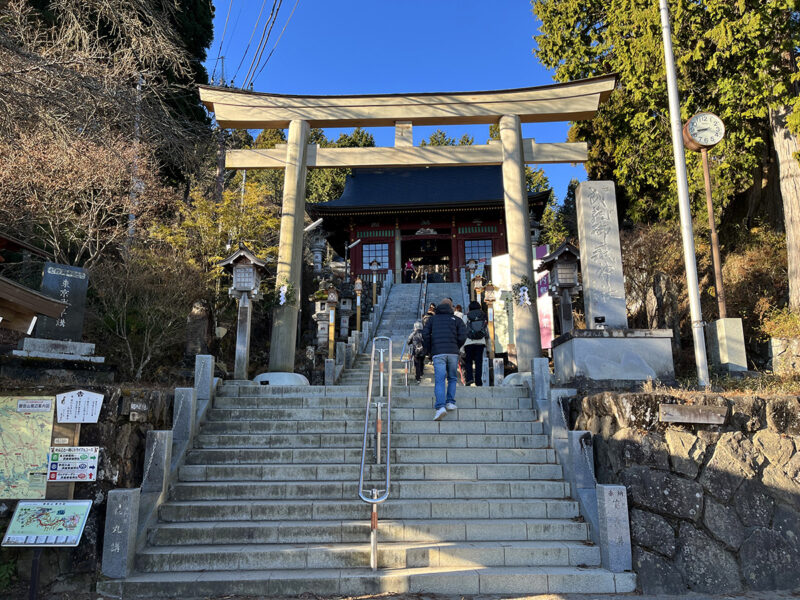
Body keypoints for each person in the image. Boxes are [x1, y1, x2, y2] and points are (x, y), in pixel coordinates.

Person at [423, 299, 467, 421]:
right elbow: (463, 335)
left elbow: (425, 334)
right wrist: (456, 345)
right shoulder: (456, 320)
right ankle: (450, 402)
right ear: (451, 307)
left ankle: (440, 407)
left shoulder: (432, 319)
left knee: (440, 380)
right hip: (452, 352)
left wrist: (430, 348)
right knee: (452, 378)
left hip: (438, 353)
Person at [463, 300, 488, 386]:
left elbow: (463, 330)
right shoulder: (483, 316)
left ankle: (469, 378)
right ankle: (478, 381)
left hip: (468, 342)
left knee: (468, 361)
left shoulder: (466, 316)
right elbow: (486, 329)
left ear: (469, 308)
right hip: (480, 342)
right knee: (478, 362)